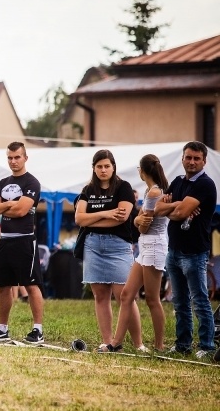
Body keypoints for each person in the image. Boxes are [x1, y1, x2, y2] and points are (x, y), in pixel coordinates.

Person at [155, 141, 217, 358]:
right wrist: (177, 205)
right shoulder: (178, 181)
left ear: (204, 161)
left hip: (195, 253)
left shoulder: (205, 184)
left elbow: (180, 213)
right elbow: (158, 208)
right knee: (180, 302)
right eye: (188, 157)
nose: (192, 162)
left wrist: (174, 208)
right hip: (173, 251)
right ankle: (183, 345)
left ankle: (207, 346)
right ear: (182, 159)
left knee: (199, 301)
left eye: (196, 158)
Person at [74, 149, 137, 352]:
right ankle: (108, 342)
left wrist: (92, 220)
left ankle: (138, 344)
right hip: (92, 245)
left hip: (118, 245)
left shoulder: (123, 187)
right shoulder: (87, 190)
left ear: (113, 167)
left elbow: (121, 218)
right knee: (100, 296)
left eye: (107, 166)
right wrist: (107, 213)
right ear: (94, 168)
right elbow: (79, 219)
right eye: (99, 166)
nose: (103, 170)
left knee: (124, 296)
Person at [0, 142, 45, 344]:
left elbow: (21, 211)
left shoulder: (32, 183)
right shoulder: (2, 183)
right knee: (2, 286)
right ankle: (2, 329)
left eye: (17, 157)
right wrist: (11, 203)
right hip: (5, 240)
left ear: (25, 158)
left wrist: (4, 205)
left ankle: (37, 330)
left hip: (25, 240)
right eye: (10, 157)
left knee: (31, 285)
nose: (13, 161)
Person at [110, 155, 169, 352]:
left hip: (154, 246)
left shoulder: (154, 192)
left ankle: (159, 346)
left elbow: (143, 226)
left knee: (152, 299)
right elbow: (139, 220)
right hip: (145, 247)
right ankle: (116, 342)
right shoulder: (150, 191)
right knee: (127, 294)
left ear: (141, 171)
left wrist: (137, 221)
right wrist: (138, 220)